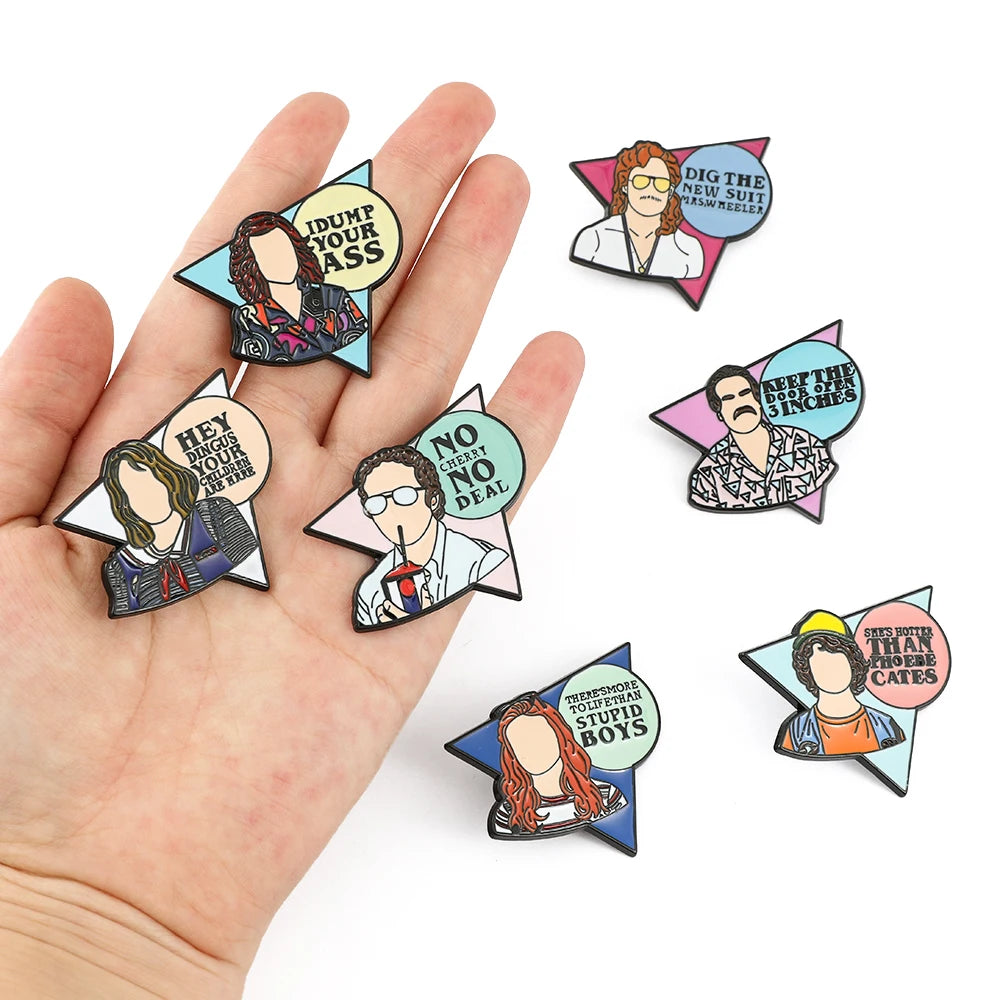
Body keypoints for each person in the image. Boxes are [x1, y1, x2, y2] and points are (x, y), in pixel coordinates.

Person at [0, 86, 584, 996]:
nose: (276, 266)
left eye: (285, 252)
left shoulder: (237, 521)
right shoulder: (140, 557)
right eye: (137, 485)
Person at [353, 444, 507, 627]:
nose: (391, 511)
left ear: (433, 500)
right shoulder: (370, 591)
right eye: (376, 503)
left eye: (404, 495)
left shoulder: (482, 563)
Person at [101, 440, 259, 616]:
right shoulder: (121, 569)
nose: (146, 497)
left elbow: (252, 563)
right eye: (133, 492)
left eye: (150, 483)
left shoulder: (216, 516)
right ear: (124, 504)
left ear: (168, 478)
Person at [228, 211, 368, 363]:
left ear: (296, 249)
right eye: (269, 256)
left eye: (284, 249)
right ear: (252, 266)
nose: (282, 261)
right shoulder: (249, 319)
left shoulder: (334, 297)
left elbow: (361, 345)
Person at [690, 365, 836, 510]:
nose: (740, 403)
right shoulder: (707, 475)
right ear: (719, 414)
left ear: (758, 400)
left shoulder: (806, 444)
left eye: (745, 393)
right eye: (729, 399)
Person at [490, 693, 625, 838]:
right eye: (519, 743)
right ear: (511, 755)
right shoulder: (509, 815)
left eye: (539, 737)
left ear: (561, 736)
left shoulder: (607, 795)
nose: (532, 750)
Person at [571, 140, 704, 279]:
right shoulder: (594, 239)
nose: (651, 189)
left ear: (670, 192)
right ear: (625, 186)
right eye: (641, 181)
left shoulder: (689, 249)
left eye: (661, 183)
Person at [778, 612, 905, 757]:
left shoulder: (886, 727)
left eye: (837, 662)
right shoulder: (797, 732)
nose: (831, 672)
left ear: (853, 663)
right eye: (821, 665)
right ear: (807, 672)